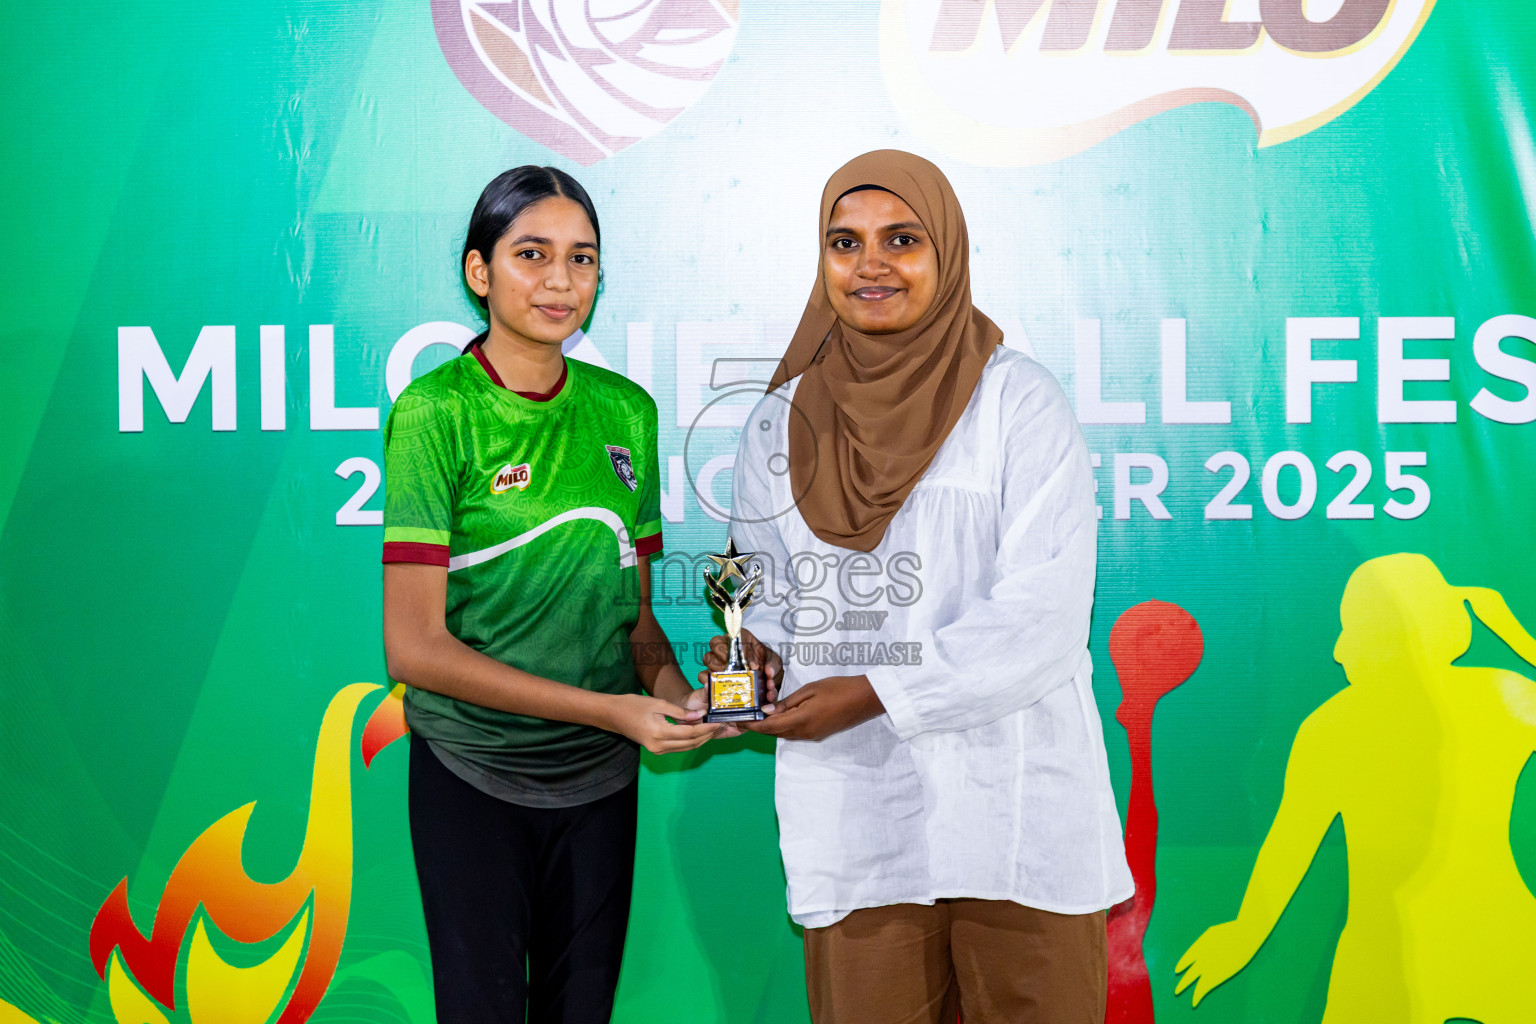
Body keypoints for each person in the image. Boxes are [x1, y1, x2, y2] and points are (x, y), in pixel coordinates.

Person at [709, 150, 1132, 1024]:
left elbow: (1044, 617)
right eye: (845, 242)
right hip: (858, 814)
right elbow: (763, 587)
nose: (871, 264)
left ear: (948, 252)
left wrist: (875, 692)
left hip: (1014, 812)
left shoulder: (1018, 402)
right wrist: (753, 652)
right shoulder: (778, 423)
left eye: (901, 239)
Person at [381, 165, 717, 1023]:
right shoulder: (434, 412)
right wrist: (611, 712)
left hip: (599, 783)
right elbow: (413, 650)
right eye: (532, 254)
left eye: (582, 258)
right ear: (479, 271)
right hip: (472, 774)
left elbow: (637, 622)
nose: (561, 280)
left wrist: (680, 698)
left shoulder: (627, 413)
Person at [1175, 553, 1536, 1023]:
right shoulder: (1504, 696)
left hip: (1385, 955)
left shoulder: (1330, 727)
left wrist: (1245, 933)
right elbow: (1289, 846)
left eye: (1353, 628)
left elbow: (1290, 845)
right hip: (1498, 934)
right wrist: (1514, 634)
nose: (1338, 650)